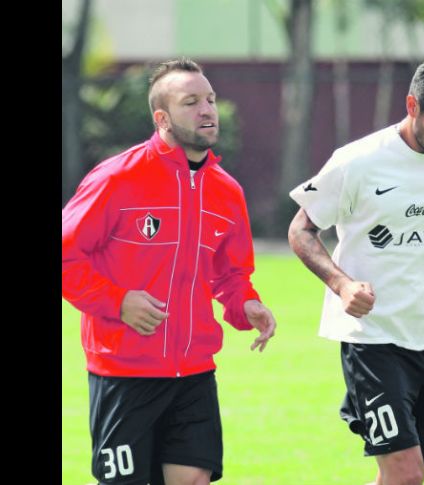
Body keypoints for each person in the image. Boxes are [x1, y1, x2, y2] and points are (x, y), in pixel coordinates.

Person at [62, 58, 277, 485]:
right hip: (124, 375)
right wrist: (119, 302)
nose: (207, 110)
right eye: (191, 101)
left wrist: (246, 305)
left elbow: (231, 275)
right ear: (161, 117)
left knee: (192, 480)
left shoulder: (227, 191)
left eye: (211, 99)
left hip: (195, 373)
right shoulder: (117, 179)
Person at [287, 55, 424, 485]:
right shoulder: (357, 161)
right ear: (412, 105)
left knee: (409, 475)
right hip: (373, 337)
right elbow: (302, 229)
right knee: (404, 473)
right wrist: (342, 284)